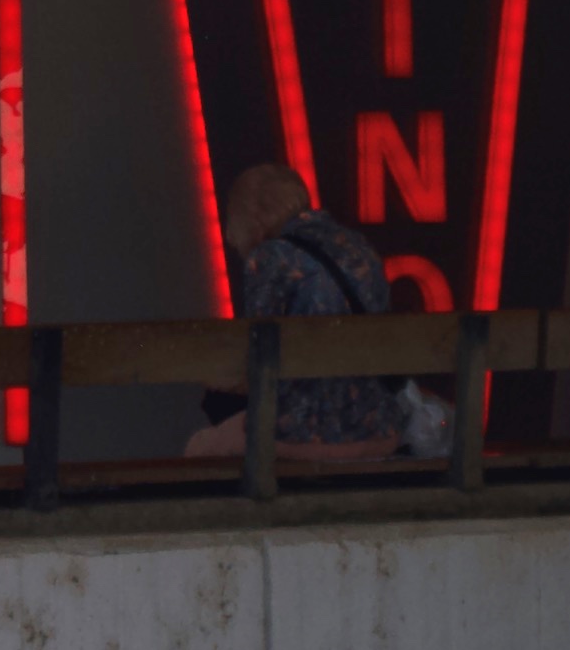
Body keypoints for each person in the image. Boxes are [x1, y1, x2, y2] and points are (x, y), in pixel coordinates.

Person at [186, 157, 453, 463]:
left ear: (253, 219)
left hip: (308, 435)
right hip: (381, 430)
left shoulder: (269, 258)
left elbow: (260, 362)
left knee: (202, 445)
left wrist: (216, 377)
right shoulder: (358, 245)